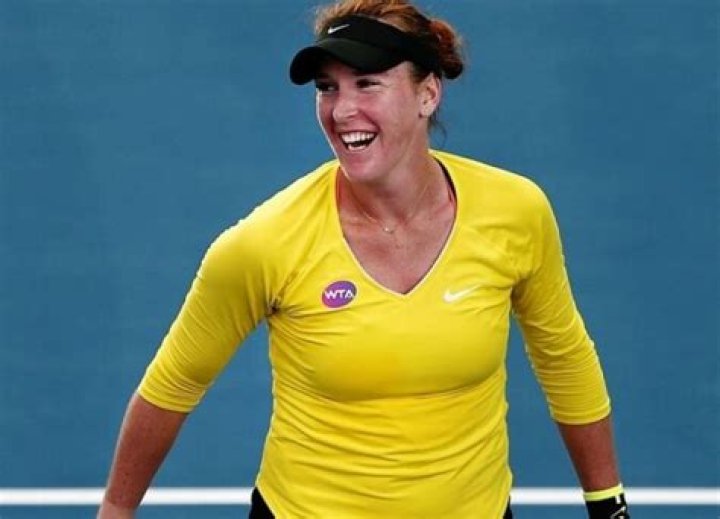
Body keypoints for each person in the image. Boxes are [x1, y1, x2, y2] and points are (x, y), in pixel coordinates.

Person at [98, 1, 630, 517]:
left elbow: (564, 357)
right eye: (327, 87)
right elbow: (174, 384)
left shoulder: (516, 211)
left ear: (427, 94)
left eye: (367, 83)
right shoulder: (264, 243)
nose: (341, 110)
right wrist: (116, 511)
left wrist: (608, 505)